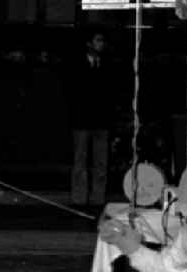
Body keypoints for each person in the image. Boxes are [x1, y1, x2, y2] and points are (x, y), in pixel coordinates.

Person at [66, 28, 114, 207]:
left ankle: (98, 199)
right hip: (82, 120)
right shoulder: (77, 65)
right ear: (89, 44)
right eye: (98, 41)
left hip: (101, 120)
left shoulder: (107, 64)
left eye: (102, 41)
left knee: (100, 163)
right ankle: (79, 198)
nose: (101, 44)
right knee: (80, 162)